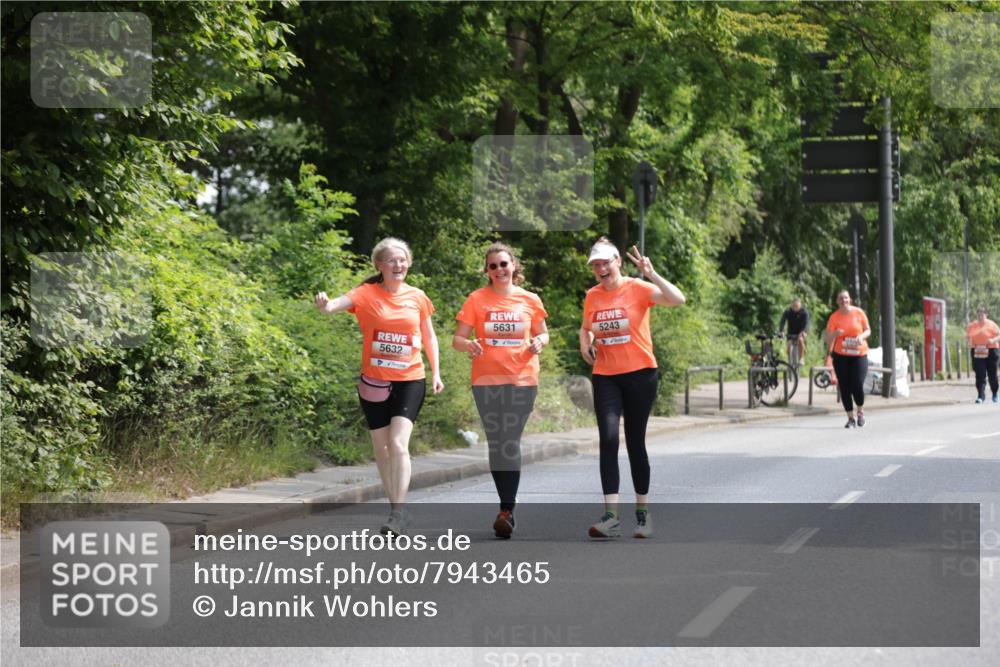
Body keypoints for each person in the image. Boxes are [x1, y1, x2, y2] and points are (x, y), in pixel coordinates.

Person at [314, 238, 444, 535]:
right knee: (382, 449)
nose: (398, 265)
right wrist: (325, 305)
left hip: (410, 378)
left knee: (398, 443)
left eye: (403, 260)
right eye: (392, 260)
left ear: (408, 264)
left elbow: (429, 337)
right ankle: (396, 509)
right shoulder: (366, 293)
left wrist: (436, 373)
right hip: (374, 380)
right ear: (380, 265)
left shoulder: (417, 296)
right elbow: (335, 305)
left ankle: (398, 513)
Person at [579, 238, 685, 539]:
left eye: (605, 262)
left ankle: (642, 514)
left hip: (641, 374)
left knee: (635, 442)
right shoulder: (593, 295)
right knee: (609, 439)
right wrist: (585, 343)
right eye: (596, 265)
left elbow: (678, 299)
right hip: (606, 375)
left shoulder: (637, 288)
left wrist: (651, 273)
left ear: (618, 262)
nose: (601, 268)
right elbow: (586, 327)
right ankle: (611, 517)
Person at [453, 243, 549, 538]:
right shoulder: (477, 299)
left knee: (509, 439)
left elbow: (543, 332)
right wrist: (469, 345)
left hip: (522, 379)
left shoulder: (529, 299)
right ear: (487, 271)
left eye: (503, 264)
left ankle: (506, 510)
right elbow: (458, 339)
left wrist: (540, 342)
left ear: (513, 266)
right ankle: (505, 508)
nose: (499, 270)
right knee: (497, 443)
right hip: (486, 381)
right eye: (493, 266)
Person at [824, 290, 871, 428]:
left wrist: (861, 337)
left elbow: (868, 330)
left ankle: (860, 412)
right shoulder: (834, 317)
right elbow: (827, 338)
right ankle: (850, 418)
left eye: (846, 298)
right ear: (837, 302)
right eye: (841, 298)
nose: (843, 300)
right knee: (844, 387)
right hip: (841, 355)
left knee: (857, 384)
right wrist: (835, 334)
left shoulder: (858, 312)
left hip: (859, 354)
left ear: (850, 299)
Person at [966, 306, 1000, 404]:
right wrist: (969, 343)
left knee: (992, 374)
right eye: (978, 314)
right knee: (980, 374)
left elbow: (999, 335)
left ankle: (994, 393)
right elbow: (968, 337)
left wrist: (992, 340)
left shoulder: (992, 324)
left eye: (982, 314)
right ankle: (981, 396)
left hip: (991, 350)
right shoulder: (972, 325)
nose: (980, 316)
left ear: (986, 315)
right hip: (977, 351)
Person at [778, 298, 810, 368]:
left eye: (797, 306)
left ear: (800, 306)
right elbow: (782, 321)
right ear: (791, 305)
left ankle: (801, 358)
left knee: (801, 340)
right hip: (791, 333)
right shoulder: (788, 311)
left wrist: (804, 332)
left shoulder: (804, 312)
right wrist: (781, 331)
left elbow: (807, 324)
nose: (795, 308)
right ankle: (790, 360)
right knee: (789, 344)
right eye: (793, 306)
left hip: (801, 331)